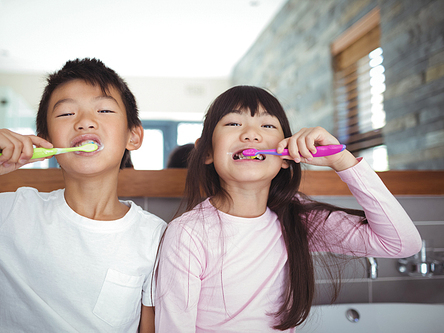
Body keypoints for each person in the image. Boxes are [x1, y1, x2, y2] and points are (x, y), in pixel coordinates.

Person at [154, 85, 422, 332]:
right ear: (208, 152)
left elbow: (402, 244)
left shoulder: (299, 220)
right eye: (233, 123)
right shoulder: (187, 234)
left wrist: (343, 161)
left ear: (286, 157)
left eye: (268, 125)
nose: (251, 133)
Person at [0, 58, 166, 332]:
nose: (85, 122)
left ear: (133, 136)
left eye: (104, 110)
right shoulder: (14, 211)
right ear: (45, 142)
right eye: (66, 114)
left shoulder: (155, 236)